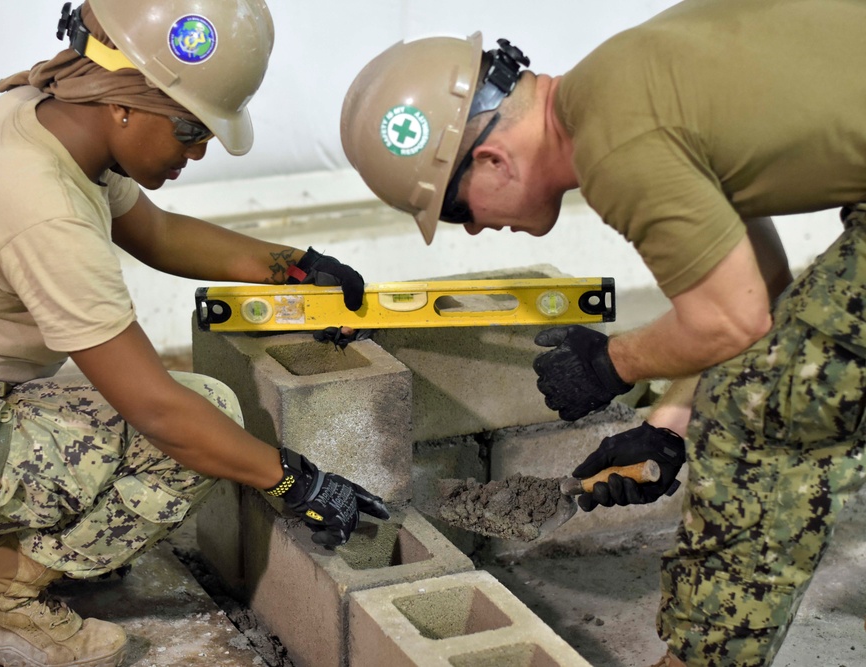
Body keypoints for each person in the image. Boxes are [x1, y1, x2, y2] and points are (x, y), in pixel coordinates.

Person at [339, 0, 866, 665]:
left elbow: (736, 318)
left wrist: (614, 361)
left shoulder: (616, 146)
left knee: (775, 408)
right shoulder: (626, 85)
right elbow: (758, 286)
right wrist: (666, 427)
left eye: (454, 207)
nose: (470, 227)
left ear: (495, 160)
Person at [0, 2, 389, 666]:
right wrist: (292, 480)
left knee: (141, 429)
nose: (198, 151)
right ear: (124, 106)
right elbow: (158, 412)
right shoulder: (42, 209)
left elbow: (159, 233)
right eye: (190, 128)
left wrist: (292, 267)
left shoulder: (42, 121)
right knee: (196, 426)